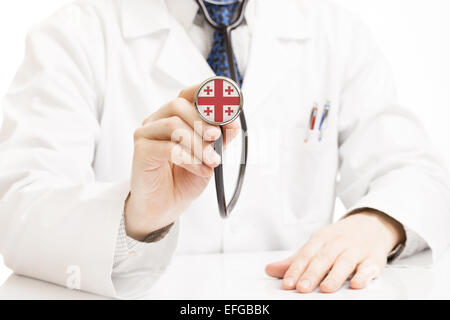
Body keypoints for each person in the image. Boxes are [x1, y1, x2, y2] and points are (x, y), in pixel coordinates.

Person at [0, 0, 449, 298]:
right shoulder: (74, 34)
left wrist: (375, 222)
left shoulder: (334, 31)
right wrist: (136, 218)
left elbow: (414, 171)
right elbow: (19, 210)